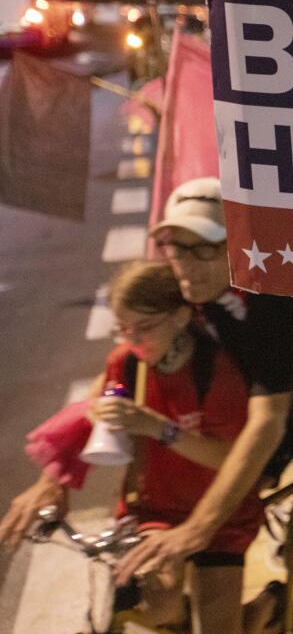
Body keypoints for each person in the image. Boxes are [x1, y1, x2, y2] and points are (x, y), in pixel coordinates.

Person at [104, 179, 293, 633]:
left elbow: (267, 425)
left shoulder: (275, 300)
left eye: (203, 249)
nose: (185, 265)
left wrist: (197, 528)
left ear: (237, 243)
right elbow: (127, 356)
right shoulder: (182, 287)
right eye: (175, 247)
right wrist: (55, 473)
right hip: (261, 420)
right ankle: (262, 613)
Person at [1, 262, 275, 633]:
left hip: (221, 514)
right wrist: (51, 482)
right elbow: (86, 417)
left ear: (180, 317)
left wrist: (157, 426)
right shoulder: (127, 363)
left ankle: (266, 608)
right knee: (156, 605)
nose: (132, 340)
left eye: (144, 328)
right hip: (157, 509)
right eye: (122, 329)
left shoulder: (216, 371)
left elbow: (233, 458)